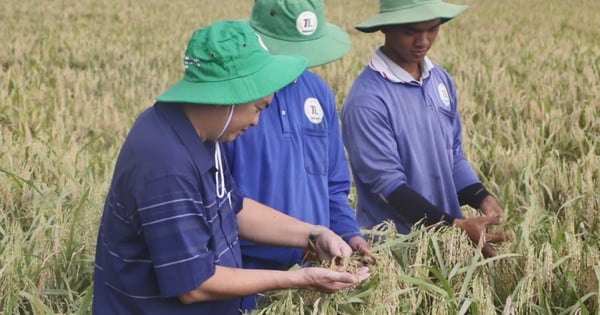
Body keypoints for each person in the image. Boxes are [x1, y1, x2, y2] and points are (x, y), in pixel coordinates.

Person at [92, 20, 370, 315]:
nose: (256, 122)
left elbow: (234, 209)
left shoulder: (201, 135)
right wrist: (298, 279)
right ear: (228, 96)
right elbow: (195, 284)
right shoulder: (165, 162)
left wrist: (314, 235)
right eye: (258, 107)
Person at [221, 0, 372, 311]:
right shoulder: (231, 105)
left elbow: (333, 186)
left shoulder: (318, 93)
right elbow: (218, 201)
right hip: (245, 278)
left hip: (315, 280)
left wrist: (349, 234)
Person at [341, 0, 508, 257]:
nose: (424, 41)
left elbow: (452, 153)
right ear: (386, 28)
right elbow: (388, 186)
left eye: (433, 29)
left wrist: (481, 197)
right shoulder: (367, 101)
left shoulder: (439, 80)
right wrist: (456, 226)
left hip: (447, 241)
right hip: (396, 250)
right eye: (410, 31)